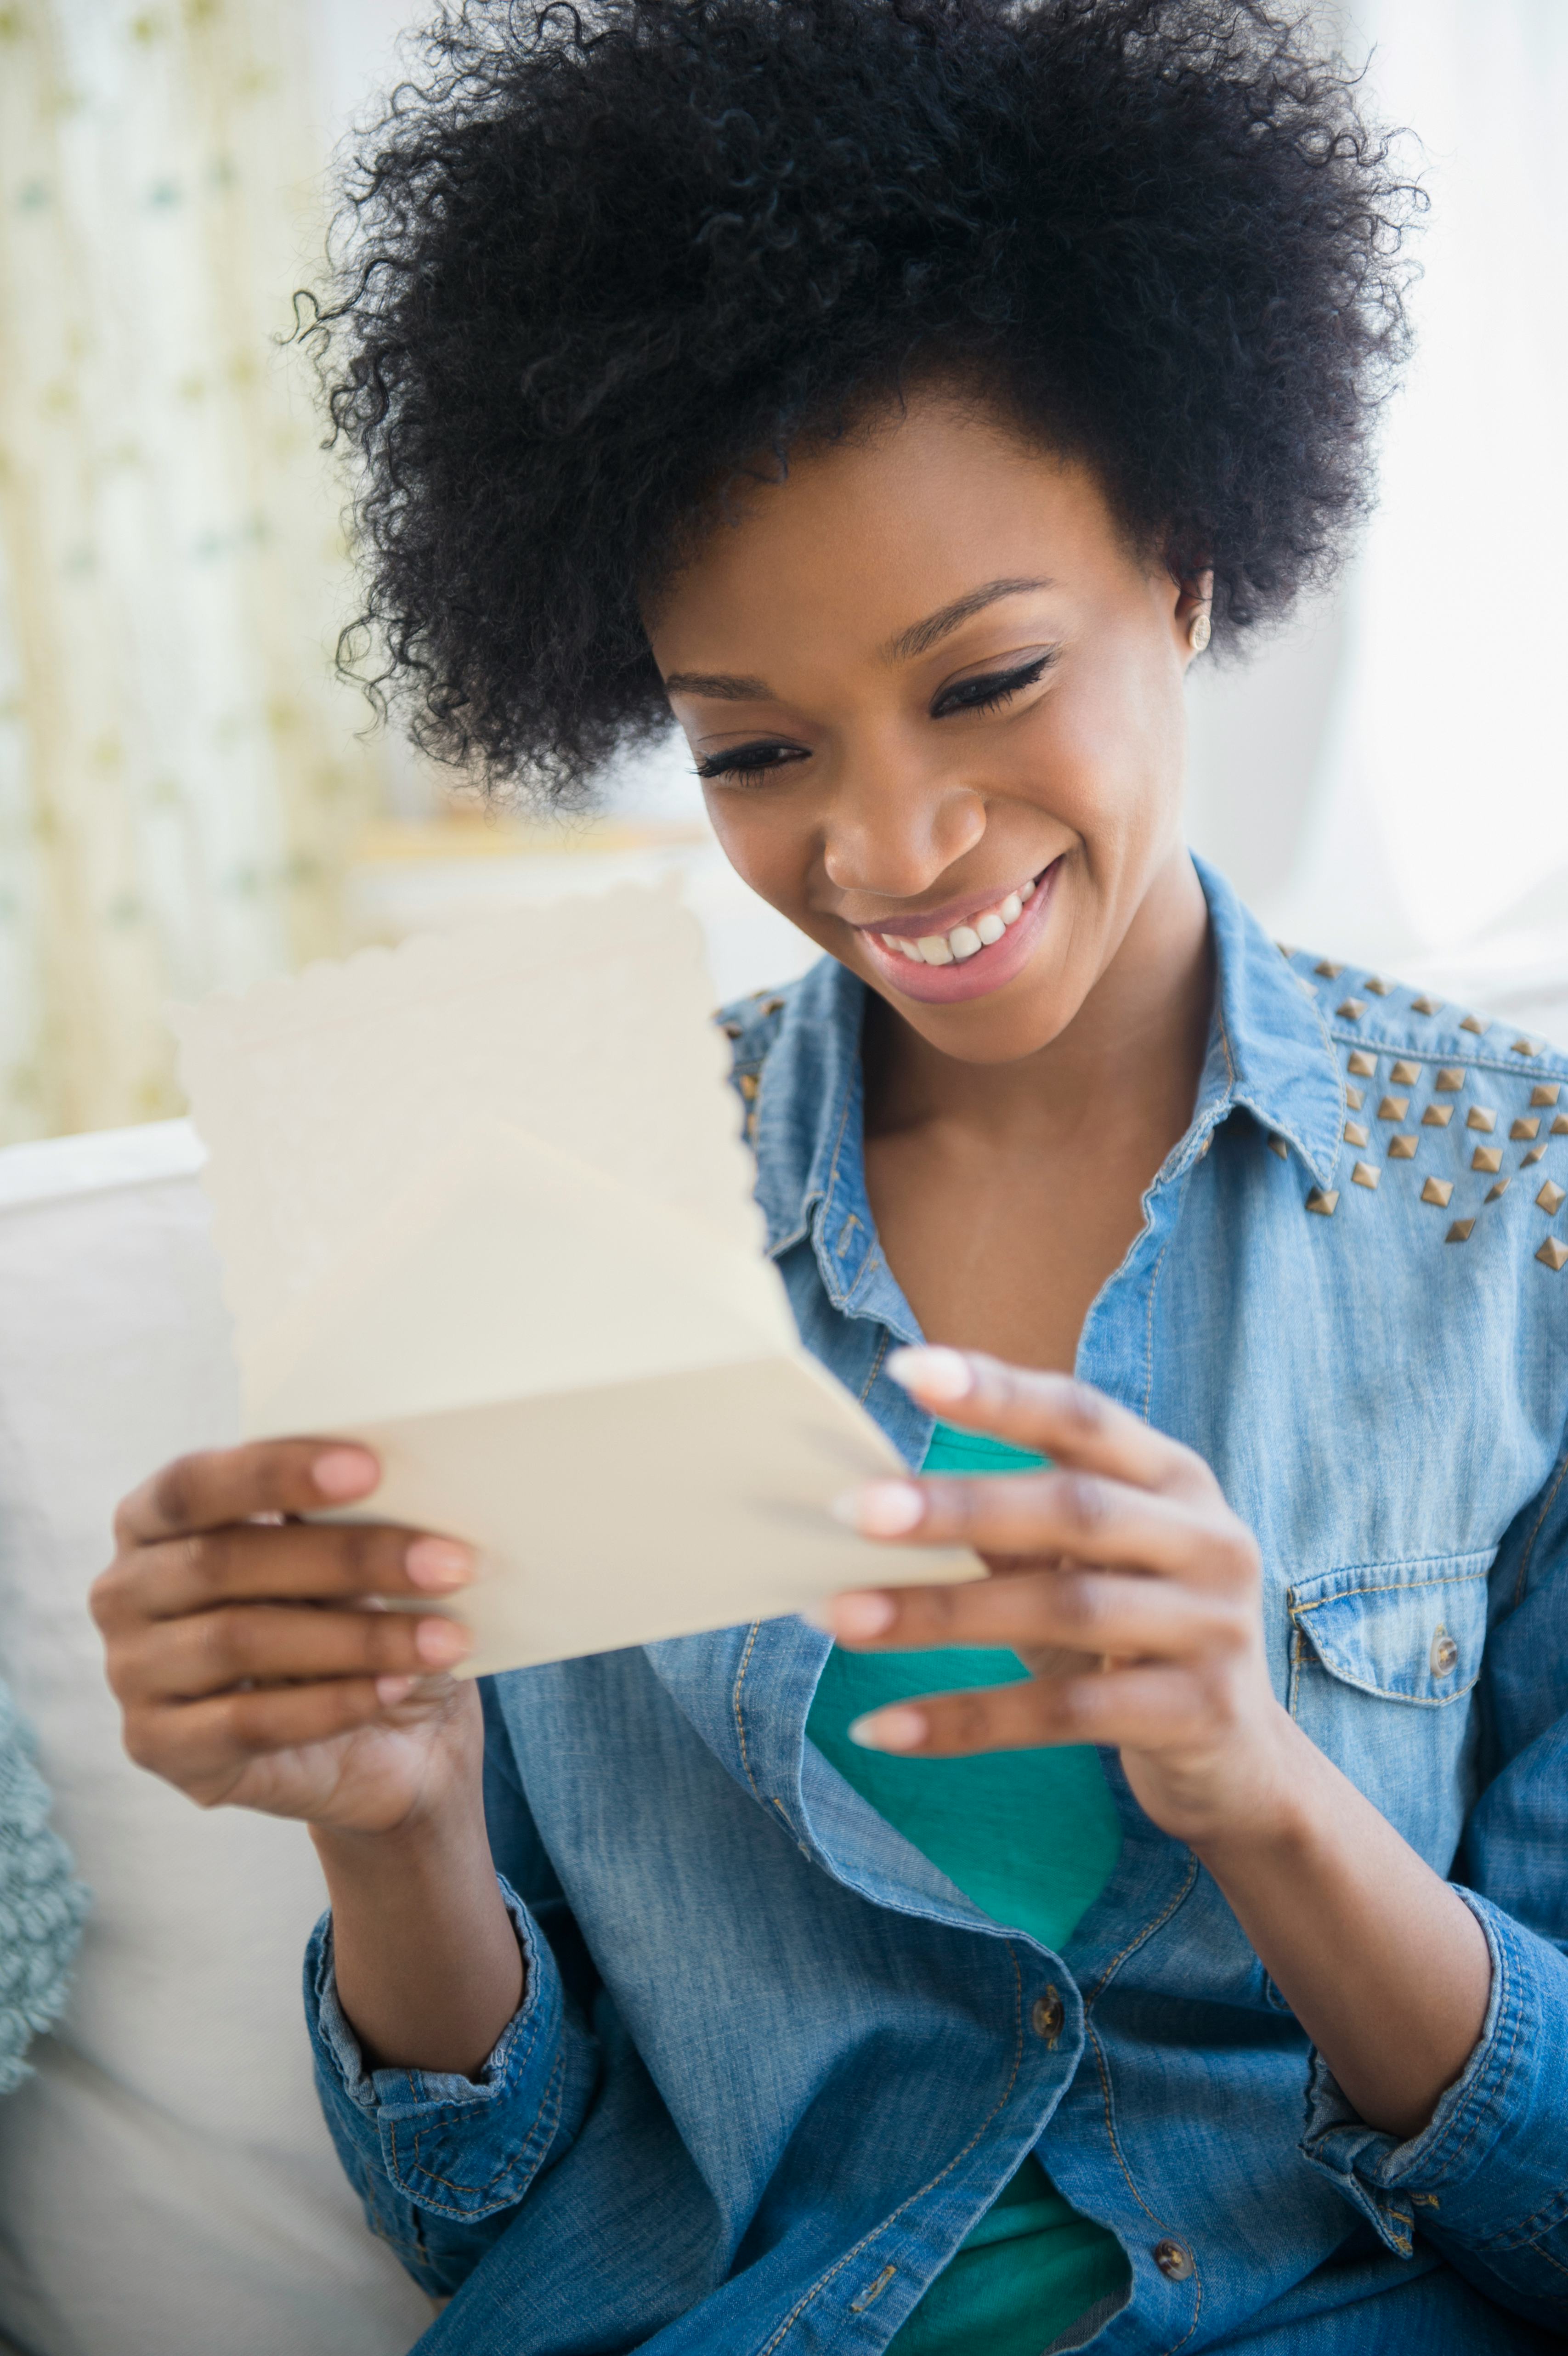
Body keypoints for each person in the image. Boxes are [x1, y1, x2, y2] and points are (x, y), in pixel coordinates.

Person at [91, 0, 1568, 2347]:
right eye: (755, 748)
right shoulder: (530, 1197)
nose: (881, 849)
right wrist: (394, 1819)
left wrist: (1262, 1788)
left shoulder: (1519, 1228)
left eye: (984, 683)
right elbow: (498, 2212)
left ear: (1182, 561)